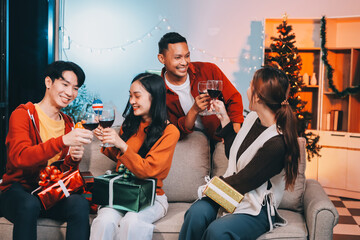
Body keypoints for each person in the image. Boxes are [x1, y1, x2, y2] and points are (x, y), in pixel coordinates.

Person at [179, 66, 300, 240]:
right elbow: (235, 154)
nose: (246, 90)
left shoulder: (277, 143)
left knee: (217, 232)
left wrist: (207, 189)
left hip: (257, 206)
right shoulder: (252, 118)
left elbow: (243, 181)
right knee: (196, 214)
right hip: (233, 192)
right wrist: (224, 117)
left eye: (251, 86)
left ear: (257, 96)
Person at [0, 61, 93, 240]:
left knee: (79, 203)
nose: (70, 93)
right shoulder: (23, 114)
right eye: (65, 85)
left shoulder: (69, 123)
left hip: (50, 193)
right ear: (48, 82)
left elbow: (65, 174)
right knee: (29, 204)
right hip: (18, 191)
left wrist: (73, 160)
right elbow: (20, 158)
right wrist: (62, 141)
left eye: (75, 88)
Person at [90, 73, 180, 240]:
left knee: (132, 221)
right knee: (103, 221)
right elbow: (122, 159)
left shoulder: (170, 132)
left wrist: (121, 144)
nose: (131, 101)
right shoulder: (130, 124)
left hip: (152, 197)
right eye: (130, 96)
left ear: (155, 97)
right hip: (122, 192)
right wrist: (107, 141)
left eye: (137, 96)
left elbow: (147, 170)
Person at [157, 32, 244, 142]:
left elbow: (234, 98)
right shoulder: (159, 91)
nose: (184, 62)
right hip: (191, 138)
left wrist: (233, 134)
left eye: (187, 56)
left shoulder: (209, 70)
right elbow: (176, 130)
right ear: (162, 58)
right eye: (178, 57)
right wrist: (194, 110)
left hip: (221, 135)